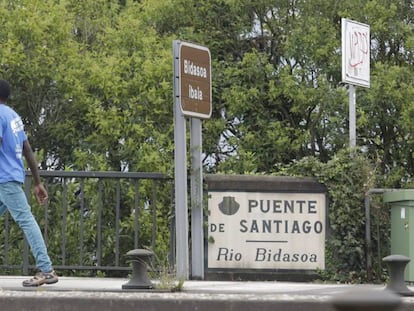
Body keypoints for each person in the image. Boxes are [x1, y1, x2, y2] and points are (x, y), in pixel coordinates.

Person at [0, 79, 58, 287]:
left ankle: (46, 269)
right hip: (11, 176)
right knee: (26, 219)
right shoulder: (13, 116)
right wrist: (37, 182)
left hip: (4, 179)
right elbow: (27, 149)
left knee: (26, 220)